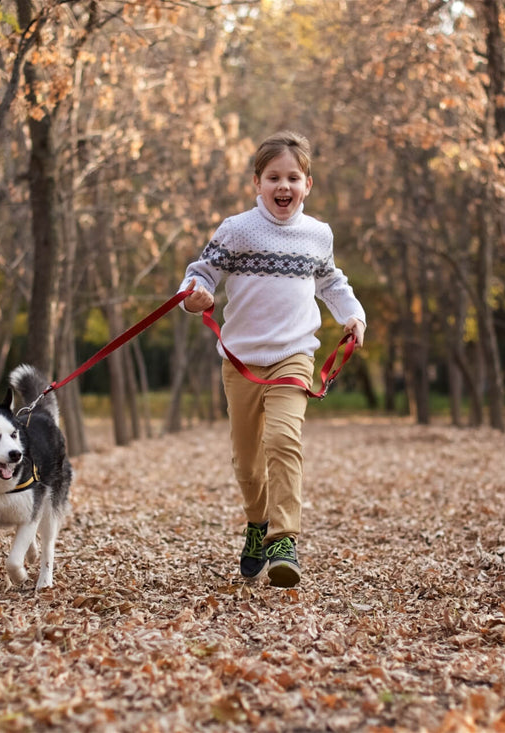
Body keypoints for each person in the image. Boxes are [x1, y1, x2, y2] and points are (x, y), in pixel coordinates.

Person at [178, 130, 366, 588]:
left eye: (293, 178)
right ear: (257, 183)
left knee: (283, 440)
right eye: (274, 177)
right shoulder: (237, 230)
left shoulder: (317, 234)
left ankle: (284, 539)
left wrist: (352, 315)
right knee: (247, 462)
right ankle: (257, 525)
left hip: (294, 356)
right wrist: (195, 297)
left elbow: (331, 282)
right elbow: (199, 274)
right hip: (242, 360)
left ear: (308, 184)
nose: (284, 187)